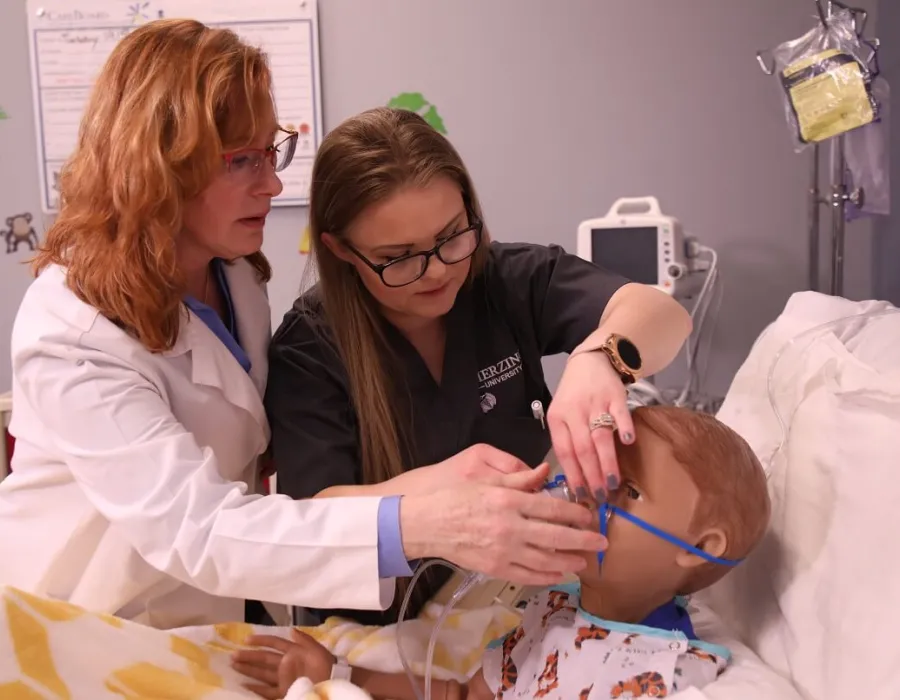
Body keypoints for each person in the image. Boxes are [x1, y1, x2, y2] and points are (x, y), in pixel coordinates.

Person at [0, 19, 606, 630]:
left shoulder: (236, 279)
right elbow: (202, 527)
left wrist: (598, 359)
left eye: (271, 150)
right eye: (241, 161)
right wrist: (427, 519)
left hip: (202, 613)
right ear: (154, 167)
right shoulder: (72, 334)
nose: (274, 183)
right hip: (74, 619)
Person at [265, 107, 693, 624]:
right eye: (399, 257)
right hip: (382, 633)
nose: (438, 270)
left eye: (451, 236)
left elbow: (663, 315)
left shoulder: (505, 281)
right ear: (340, 250)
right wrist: (431, 496)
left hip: (511, 608)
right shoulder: (310, 348)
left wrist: (600, 358)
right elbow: (313, 518)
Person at [232, 406, 772, 700]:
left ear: (700, 549)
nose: (587, 496)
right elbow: (466, 698)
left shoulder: (669, 675)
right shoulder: (553, 611)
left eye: (627, 492)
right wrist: (341, 674)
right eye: (596, 475)